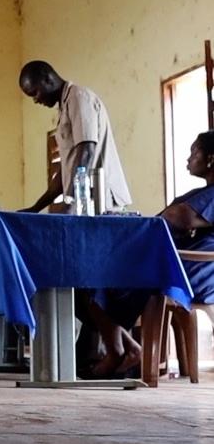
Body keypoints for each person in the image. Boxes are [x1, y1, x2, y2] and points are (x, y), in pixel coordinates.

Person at [86, 131, 214, 377]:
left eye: (194, 152)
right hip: (179, 264)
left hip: (191, 271)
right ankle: (127, 349)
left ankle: (118, 353)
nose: (189, 158)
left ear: (211, 159)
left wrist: (179, 220)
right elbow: (173, 217)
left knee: (100, 278)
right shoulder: (202, 193)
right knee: (94, 278)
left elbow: (178, 216)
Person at [18, 61, 131, 213]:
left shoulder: (78, 98)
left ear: (48, 79)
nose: (35, 100)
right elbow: (65, 172)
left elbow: (87, 151)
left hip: (102, 203)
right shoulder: (65, 106)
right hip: (86, 203)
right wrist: (35, 209)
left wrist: (71, 201)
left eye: (35, 93)